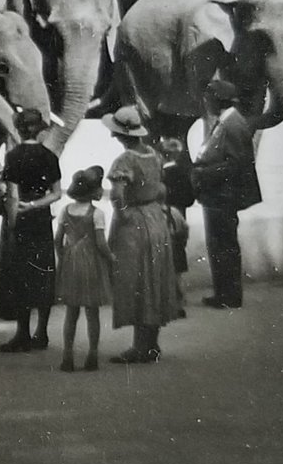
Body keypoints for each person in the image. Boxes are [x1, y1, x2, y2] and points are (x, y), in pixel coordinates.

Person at [102, 105, 178, 364]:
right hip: (155, 218)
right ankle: (151, 343)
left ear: (119, 135)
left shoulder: (125, 160)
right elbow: (161, 189)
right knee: (154, 279)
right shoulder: (154, 156)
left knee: (136, 281)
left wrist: (123, 216)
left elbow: (117, 196)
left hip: (135, 223)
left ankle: (139, 347)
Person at [0, 109, 63, 353]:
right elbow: (56, 193)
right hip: (41, 218)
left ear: (20, 130)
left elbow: (12, 194)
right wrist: (36, 204)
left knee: (21, 274)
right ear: (40, 129)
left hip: (21, 218)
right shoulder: (49, 156)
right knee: (43, 272)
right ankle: (41, 332)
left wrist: (12, 223)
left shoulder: (13, 156)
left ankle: (22, 333)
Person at [192, 78, 263, 309]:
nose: (207, 103)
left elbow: (235, 164)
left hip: (223, 196)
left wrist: (203, 173)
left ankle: (228, 295)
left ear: (217, 100)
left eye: (209, 99)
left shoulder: (232, 124)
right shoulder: (228, 121)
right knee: (221, 245)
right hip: (219, 195)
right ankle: (224, 293)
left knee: (223, 245)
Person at [54, 165, 114, 372]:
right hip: (91, 264)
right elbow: (101, 243)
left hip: (71, 261)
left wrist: (64, 255)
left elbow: (57, 239)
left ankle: (67, 356)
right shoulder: (96, 214)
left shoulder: (65, 210)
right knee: (92, 312)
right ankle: (93, 355)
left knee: (71, 312)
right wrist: (111, 258)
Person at [159, 136, 195, 319]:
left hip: (164, 219)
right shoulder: (184, 173)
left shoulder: (161, 176)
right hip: (179, 220)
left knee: (165, 261)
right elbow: (190, 199)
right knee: (178, 263)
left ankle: (169, 301)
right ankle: (180, 300)